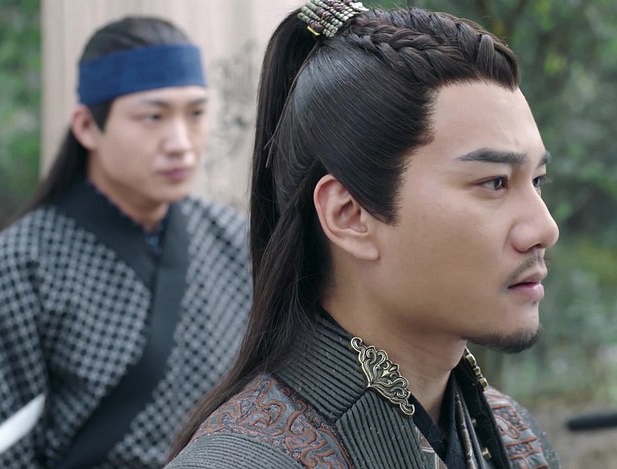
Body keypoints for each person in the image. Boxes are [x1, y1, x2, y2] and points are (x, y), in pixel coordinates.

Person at [167, 1, 562, 468]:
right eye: (494, 182)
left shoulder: (514, 437)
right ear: (349, 215)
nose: (544, 228)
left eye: (537, 181)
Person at [0, 16, 252, 468]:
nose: (181, 143)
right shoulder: (23, 264)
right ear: (87, 126)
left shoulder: (235, 240)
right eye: (153, 116)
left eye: (196, 113)